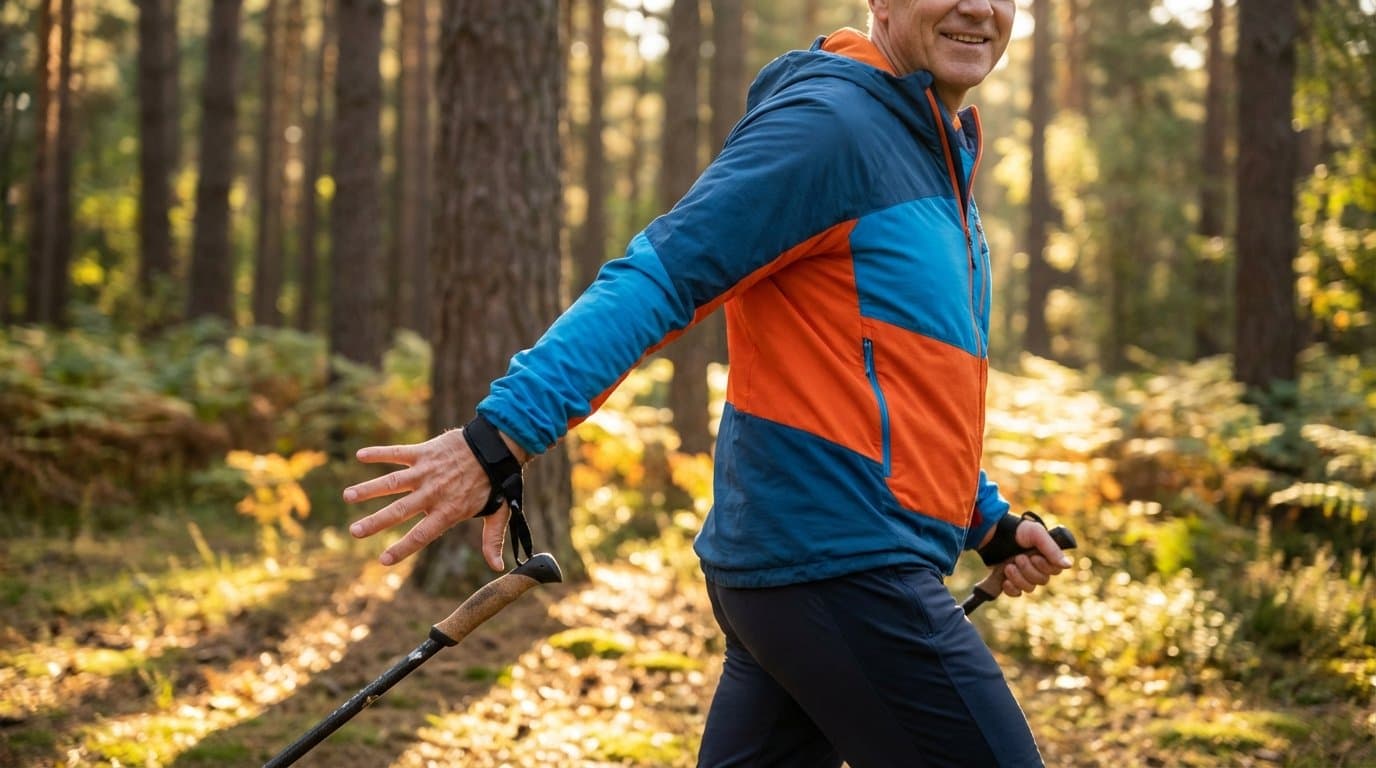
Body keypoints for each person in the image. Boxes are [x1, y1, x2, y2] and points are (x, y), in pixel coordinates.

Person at [342, 0, 1072, 764]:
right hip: (841, 564)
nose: (978, 7)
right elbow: (659, 276)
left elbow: (899, 382)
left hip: (814, 569)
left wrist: (984, 523)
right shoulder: (831, 126)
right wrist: (500, 439)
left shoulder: (927, 148)